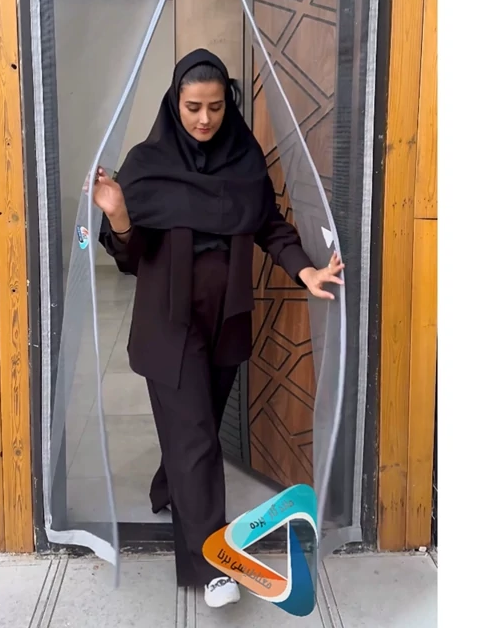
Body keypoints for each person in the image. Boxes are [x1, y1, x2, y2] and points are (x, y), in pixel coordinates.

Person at [91, 49, 343, 609]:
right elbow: (130, 258)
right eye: (192, 108)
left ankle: (169, 488)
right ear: (174, 105)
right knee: (199, 440)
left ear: (228, 104)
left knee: (193, 427)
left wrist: (305, 270)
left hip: (225, 320)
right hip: (169, 324)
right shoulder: (147, 164)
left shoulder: (243, 158)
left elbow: (268, 224)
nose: (204, 119)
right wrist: (119, 216)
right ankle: (212, 565)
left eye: (214, 107)